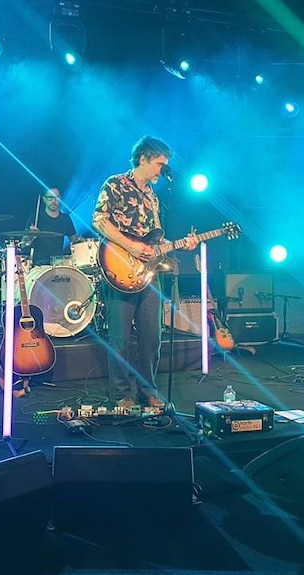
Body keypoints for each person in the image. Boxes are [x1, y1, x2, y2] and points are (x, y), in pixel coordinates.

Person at [92, 136, 198, 409]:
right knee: (120, 338)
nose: (162, 171)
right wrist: (131, 246)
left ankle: (147, 389)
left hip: (149, 275)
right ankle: (121, 394)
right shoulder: (115, 184)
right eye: (159, 164)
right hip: (119, 268)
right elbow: (99, 220)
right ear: (143, 158)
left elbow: (156, 241)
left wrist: (182, 244)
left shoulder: (152, 196)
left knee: (152, 335)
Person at [24, 187, 81, 266]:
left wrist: (82, 241)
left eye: (56, 198)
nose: (54, 201)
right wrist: (29, 236)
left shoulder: (65, 218)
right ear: (44, 199)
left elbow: (74, 240)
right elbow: (23, 244)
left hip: (58, 263)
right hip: (39, 264)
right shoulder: (36, 217)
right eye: (50, 198)